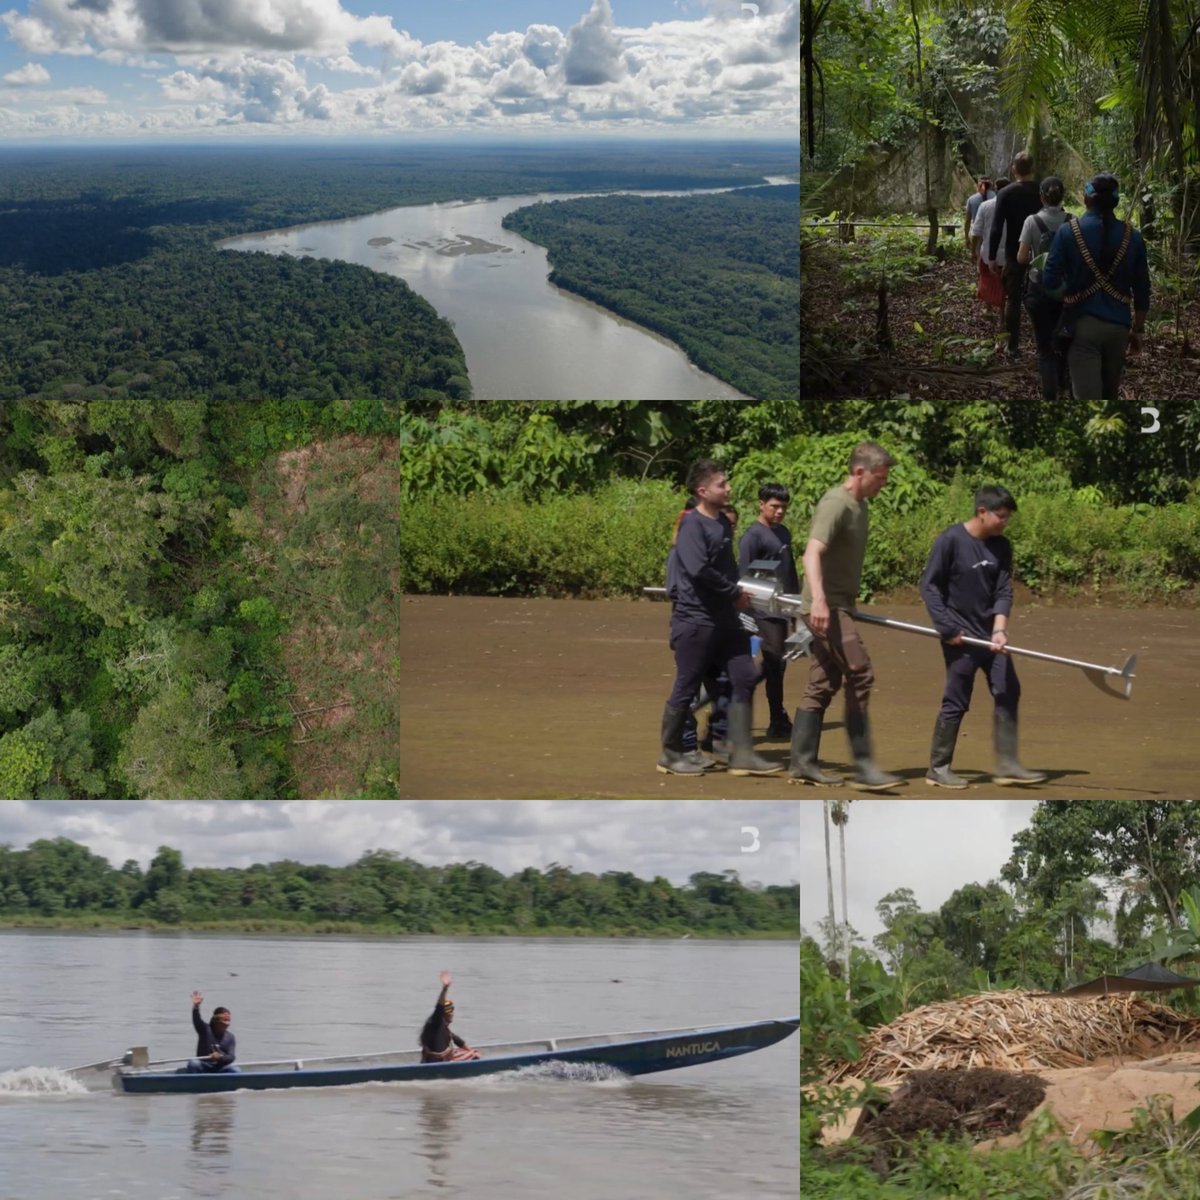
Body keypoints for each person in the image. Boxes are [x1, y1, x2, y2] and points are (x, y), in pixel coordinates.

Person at [788, 442, 901, 791]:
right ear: (859, 472)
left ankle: (802, 764)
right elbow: (811, 554)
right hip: (826, 608)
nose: (882, 485)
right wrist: (820, 601)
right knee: (860, 673)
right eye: (879, 479)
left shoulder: (861, 504)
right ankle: (864, 767)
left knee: (823, 684)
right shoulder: (836, 504)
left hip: (839, 605)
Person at [659, 459, 781, 777]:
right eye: (721, 485)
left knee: (744, 676)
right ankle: (671, 754)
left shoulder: (722, 524)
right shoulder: (691, 526)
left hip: (727, 620)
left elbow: (726, 568)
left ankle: (741, 754)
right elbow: (699, 569)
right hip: (695, 620)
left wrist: (739, 598)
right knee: (686, 687)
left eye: (726, 483)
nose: (728, 488)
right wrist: (733, 592)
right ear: (703, 491)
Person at [918, 486, 1046, 788]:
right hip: (960, 638)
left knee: (1008, 689)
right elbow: (929, 587)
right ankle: (938, 768)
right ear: (982, 512)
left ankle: (1008, 765)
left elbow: (1003, 590)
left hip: (991, 638)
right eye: (1001, 517)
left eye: (1008, 518)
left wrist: (1000, 629)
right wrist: (947, 628)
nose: (1005, 522)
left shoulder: (1002, 546)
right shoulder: (951, 541)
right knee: (957, 700)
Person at [1041, 173, 1150, 402]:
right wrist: (1138, 330)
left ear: (1087, 198)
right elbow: (1142, 290)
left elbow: (1049, 279)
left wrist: (1068, 295)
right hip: (1119, 327)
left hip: (1081, 326)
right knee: (1110, 397)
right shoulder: (1134, 237)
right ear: (1115, 201)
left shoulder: (1068, 231)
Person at [738, 483, 799, 740]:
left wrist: (797, 607)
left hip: (782, 609)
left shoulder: (783, 533)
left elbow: (790, 572)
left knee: (778, 666)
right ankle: (773, 719)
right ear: (761, 504)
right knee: (769, 664)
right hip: (760, 613)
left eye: (783, 507)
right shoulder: (752, 537)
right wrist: (747, 615)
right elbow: (743, 578)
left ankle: (777, 717)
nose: (779, 511)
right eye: (774, 506)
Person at [1017, 177, 1072, 402]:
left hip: (1038, 290)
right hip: (1066, 291)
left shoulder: (1032, 221)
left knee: (1044, 346)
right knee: (1063, 340)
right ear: (1063, 196)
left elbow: (1021, 257)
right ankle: (1063, 382)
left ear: (1041, 197)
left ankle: (1049, 393)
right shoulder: (1072, 221)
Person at [988, 152, 1044, 358]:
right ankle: (1043, 344)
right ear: (1033, 168)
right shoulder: (1042, 190)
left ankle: (1013, 346)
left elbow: (996, 228)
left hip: (1014, 252)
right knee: (1041, 296)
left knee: (1013, 298)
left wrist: (992, 257)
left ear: (1013, 169)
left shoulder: (1006, 193)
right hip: (1041, 253)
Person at [970, 177, 1008, 327]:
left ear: (996, 189)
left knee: (986, 280)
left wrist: (973, 250)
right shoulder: (1014, 206)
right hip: (1007, 255)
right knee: (1004, 286)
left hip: (987, 253)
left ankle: (988, 309)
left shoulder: (985, 206)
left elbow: (976, 231)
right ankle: (1002, 317)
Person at [420, 971, 481, 1063]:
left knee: (469, 1052)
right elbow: (439, 1008)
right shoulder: (436, 1023)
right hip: (437, 1063)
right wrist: (445, 988)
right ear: (448, 1014)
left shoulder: (443, 1028)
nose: (453, 1015)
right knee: (474, 1055)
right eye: (451, 1013)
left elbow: (457, 1040)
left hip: (440, 1061)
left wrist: (470, 1050)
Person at [180, 991, 239, 1074]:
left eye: (228, 1021)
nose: (226, 1024)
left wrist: (219, 1058)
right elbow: (197, 1020)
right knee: (193, 1063)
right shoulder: (205, 1029)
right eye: (223, 1021)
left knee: (235, 1070)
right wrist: (196, 1007)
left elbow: (231, 1057)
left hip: (219, 1067)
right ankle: (196, 1084)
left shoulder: (230, 1037)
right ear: (216, 1020)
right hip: (203, 1065)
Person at [965, 176, 994, 250]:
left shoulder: (971, 199)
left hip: (977, 233)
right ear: (991, 185)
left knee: (977, 254)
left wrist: (966, 237)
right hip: (992, 232)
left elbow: (967, 220)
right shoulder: (996, 197)